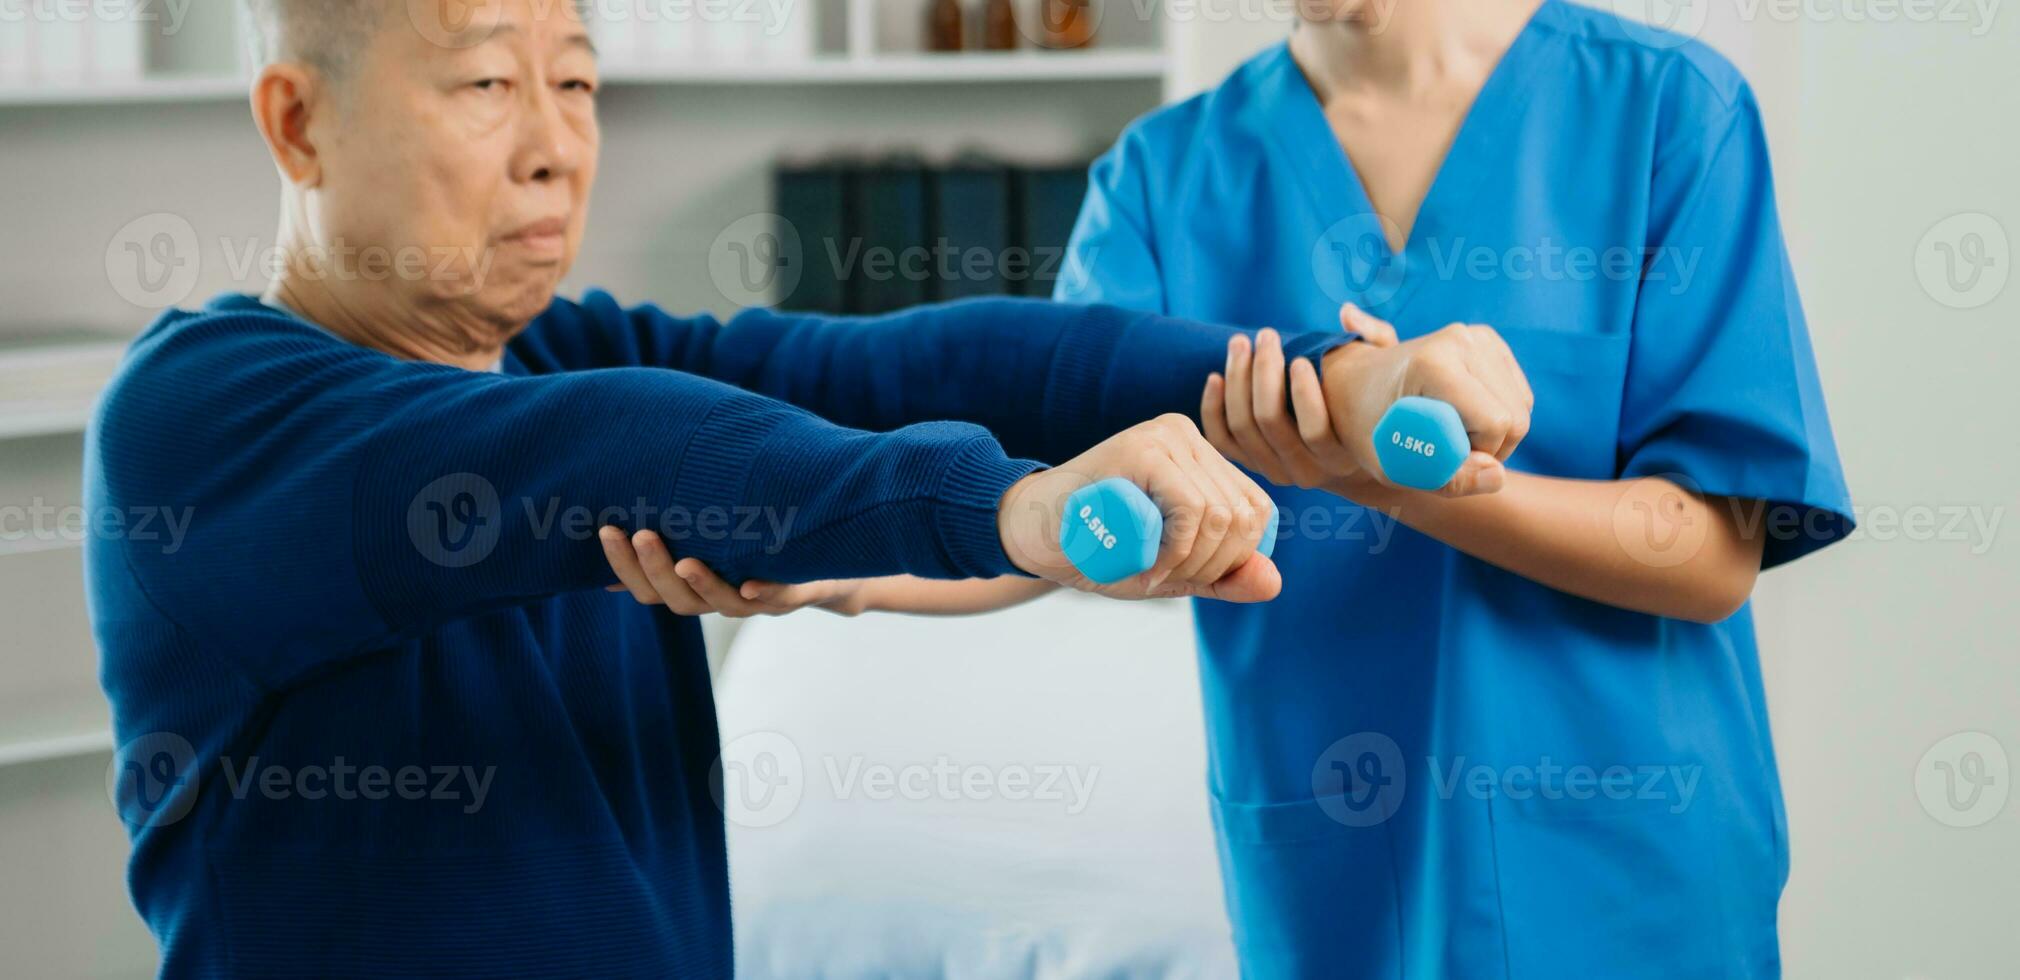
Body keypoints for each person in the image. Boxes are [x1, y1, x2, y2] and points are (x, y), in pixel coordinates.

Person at [85, 1, 1533, 976]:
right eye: (483, 84)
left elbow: (913, 363)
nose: (554, 142)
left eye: (577, 81)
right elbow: (623, 448)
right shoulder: (205, 418)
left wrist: (1300, 388)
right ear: (296, 124)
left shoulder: (540, 351)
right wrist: (1013, 514)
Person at [643, 0, 1857, 976]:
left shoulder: (1662, 113)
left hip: (1625, 871)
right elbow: (1077, 521)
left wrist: (1393, 485)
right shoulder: (1166, 179)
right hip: (1332, 868)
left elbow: (1705, 555)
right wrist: (853, 569)